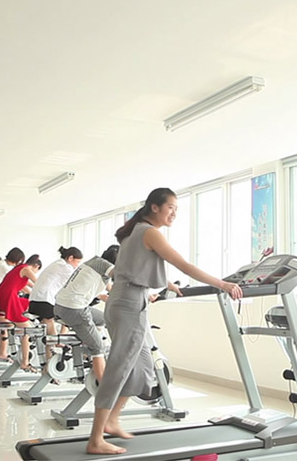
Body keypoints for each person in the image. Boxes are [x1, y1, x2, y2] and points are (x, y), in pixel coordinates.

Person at [86, 188, 243, 455]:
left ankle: (112, 420)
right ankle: (96, 439)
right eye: (171, 207)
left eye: (177, 209)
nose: (174, 213)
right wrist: (223, 284)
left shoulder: (135, 232)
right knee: (119, 367)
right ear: (155, 207)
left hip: (127, 300)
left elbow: (133, 267)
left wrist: (167, 283)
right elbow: (184, 265)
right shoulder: (150, 232)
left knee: (144, 367)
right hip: (129, 304)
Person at [54, 244, 119, 383]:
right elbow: (123, 277)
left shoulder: (96, 262)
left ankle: (87, 345)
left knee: (103, 319)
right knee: (98, 347)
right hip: (74, 309)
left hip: (62, 306)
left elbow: (111, 289)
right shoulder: (104, 265)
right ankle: (104, 388)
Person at [0, 255, 43, 371]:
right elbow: (39, 284)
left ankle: (3, 351)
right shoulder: (26, 269)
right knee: (28, 330)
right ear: (36, 266)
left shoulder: (18, 269)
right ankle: (25, 362)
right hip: (9, 300)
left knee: (22, 310)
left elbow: (28, 287)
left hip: (2, 298)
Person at [29, 246, 83, 363]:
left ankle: (50, 359)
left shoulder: (57, 264)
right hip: (43, 302)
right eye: (77, 262)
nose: (77, 265)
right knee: (64, 321)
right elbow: (76, 283)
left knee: (51, 330)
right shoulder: (65, 267)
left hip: (35, 301)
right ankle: (58, 344)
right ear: (70, 258)